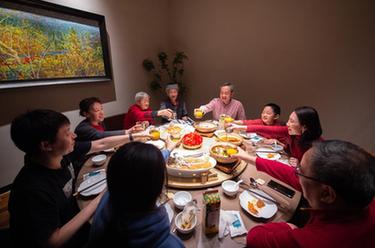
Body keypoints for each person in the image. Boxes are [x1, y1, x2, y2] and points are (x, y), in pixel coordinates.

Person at [8, 109, 149, 248]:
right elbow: (53, 241)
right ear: (46, 145)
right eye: (67, 132)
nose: (74, 135)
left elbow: (101, 144)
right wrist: (100, 198)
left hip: (72, 212)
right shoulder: (33, 189)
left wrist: (134, 137)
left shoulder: (60, 154)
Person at [232, 140, 375, 248]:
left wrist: (289, 226)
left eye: (300, 170)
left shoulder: (316, 241)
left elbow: (255, 238)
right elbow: (289, 173)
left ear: (327, 194)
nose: (295, 173)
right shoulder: (356, 195)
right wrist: (248, 157)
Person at [87, 142, 184, 248]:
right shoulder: (170, 244)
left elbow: (136, 166)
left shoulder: (108, 197)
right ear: (159, 189)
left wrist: (168, 149)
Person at [230, 106, 322, 164]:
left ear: (304, 127)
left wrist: (301, 164)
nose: (287, 124)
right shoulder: (290, 131)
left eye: (292, 121)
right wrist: (240, 127)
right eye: (289, 120)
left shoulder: (317, 147)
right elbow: (265, 129)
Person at [75, 97, 143, 141]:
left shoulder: (100, 122)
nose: (101, 112)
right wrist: (128, 131)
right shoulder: (83, 128)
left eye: (101, 109)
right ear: (86, 114)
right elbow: (100, 135)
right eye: (97, 110)